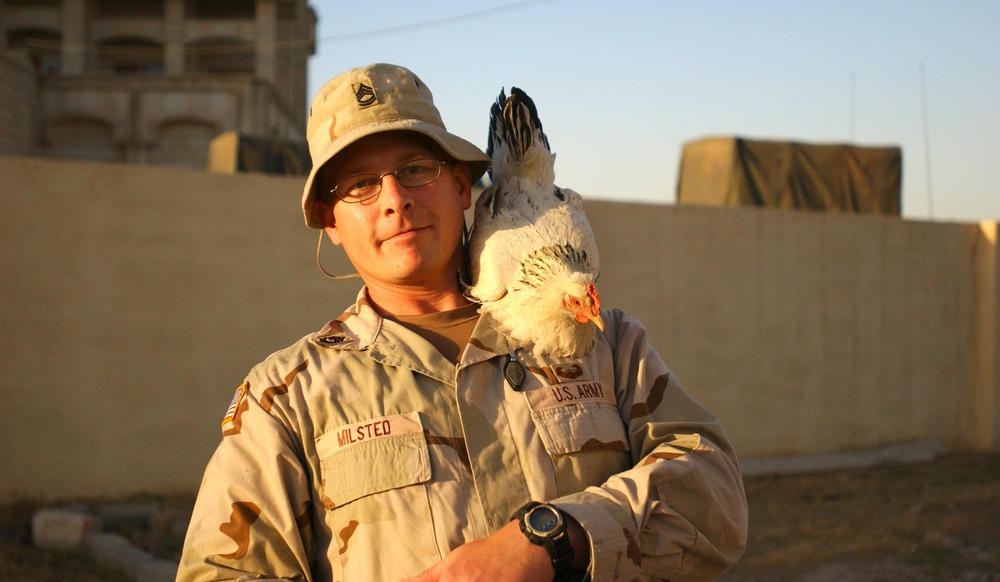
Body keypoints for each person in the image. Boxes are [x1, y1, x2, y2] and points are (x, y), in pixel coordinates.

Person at [177, 63, 748, 582]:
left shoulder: (605, 344)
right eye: (360, 185)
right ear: (329, 221)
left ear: (460, 185)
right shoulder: (286, 399)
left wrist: (557, 538)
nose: (395, 199)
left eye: (416, 168)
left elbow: (715, 494)